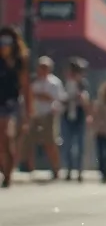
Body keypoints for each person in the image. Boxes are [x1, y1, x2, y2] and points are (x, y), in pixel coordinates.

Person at [0, 27, 32, 188]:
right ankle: (4, 167)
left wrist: (28, 111)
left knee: (6, 136)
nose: (4, 45)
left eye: (7, 42)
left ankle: (8, 174)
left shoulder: (19, 61)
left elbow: (25, 87)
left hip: (11, 103)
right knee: (2, 142)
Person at [25, 56, 65, 180]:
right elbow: (29, 96)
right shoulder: (33, 82)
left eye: (45, 67)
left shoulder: (54, 82)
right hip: (35, 115)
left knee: (50, 142)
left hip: (49, 114)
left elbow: (57, 98)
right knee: (29, 141)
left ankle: (56, 168)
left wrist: (42, 96)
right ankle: (30, 168)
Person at [62, 58, 91, 182]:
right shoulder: (65, 83)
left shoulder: (83, 84)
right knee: (67, 144)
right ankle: (68, 169)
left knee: (79, 145)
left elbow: (86, 101)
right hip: (67, 114)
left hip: (79, 115)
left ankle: (79, 170)